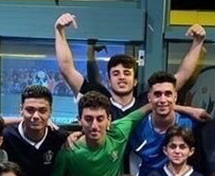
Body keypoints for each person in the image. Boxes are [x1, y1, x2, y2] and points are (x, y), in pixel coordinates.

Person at [54, 12, 206, 120]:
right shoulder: (99, 101)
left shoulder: (147, 101)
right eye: (116, 73)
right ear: (109, 80)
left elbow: (183, 74)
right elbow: (67, 68)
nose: (121, 77)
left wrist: (198, 42)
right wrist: (59, 31)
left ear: (135, 81)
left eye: (127, 73)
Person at [128, 71, 197, 176]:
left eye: (168, 94)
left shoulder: (190, 125)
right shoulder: (137, 128)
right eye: (157, 94)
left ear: (175, 97)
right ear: (149, 97)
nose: (163, 100)